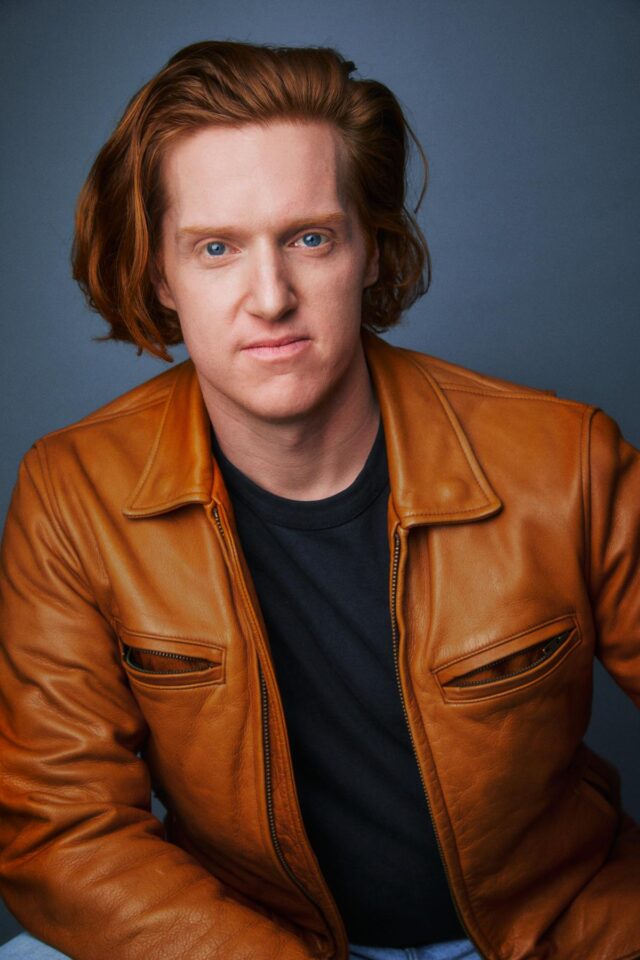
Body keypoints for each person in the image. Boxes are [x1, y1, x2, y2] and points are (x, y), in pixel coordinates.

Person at [0, 38, 638, 960]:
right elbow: (62, 829)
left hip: (546, 931)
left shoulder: (565, 460)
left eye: (309, 238)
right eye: (216, 248)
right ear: (160, 276)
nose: (270, 298)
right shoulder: (74, 492)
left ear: (370, 251)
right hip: (251, 937)